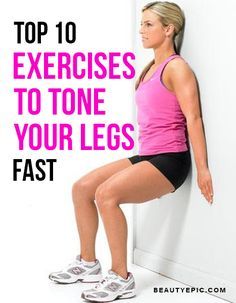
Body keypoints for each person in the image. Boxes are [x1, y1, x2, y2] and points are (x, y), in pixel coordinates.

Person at [49, 1, 214, 302]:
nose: (141, 30)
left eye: (149, 24)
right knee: (82, 188)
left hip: (170, 160)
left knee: (106, 195)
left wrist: (203, 168)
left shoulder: (176, 68)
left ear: (169, 29)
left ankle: (121, 277)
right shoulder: (149, 68)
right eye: (141, 24)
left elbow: (194, 118)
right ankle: (88, 263)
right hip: (148, 154)